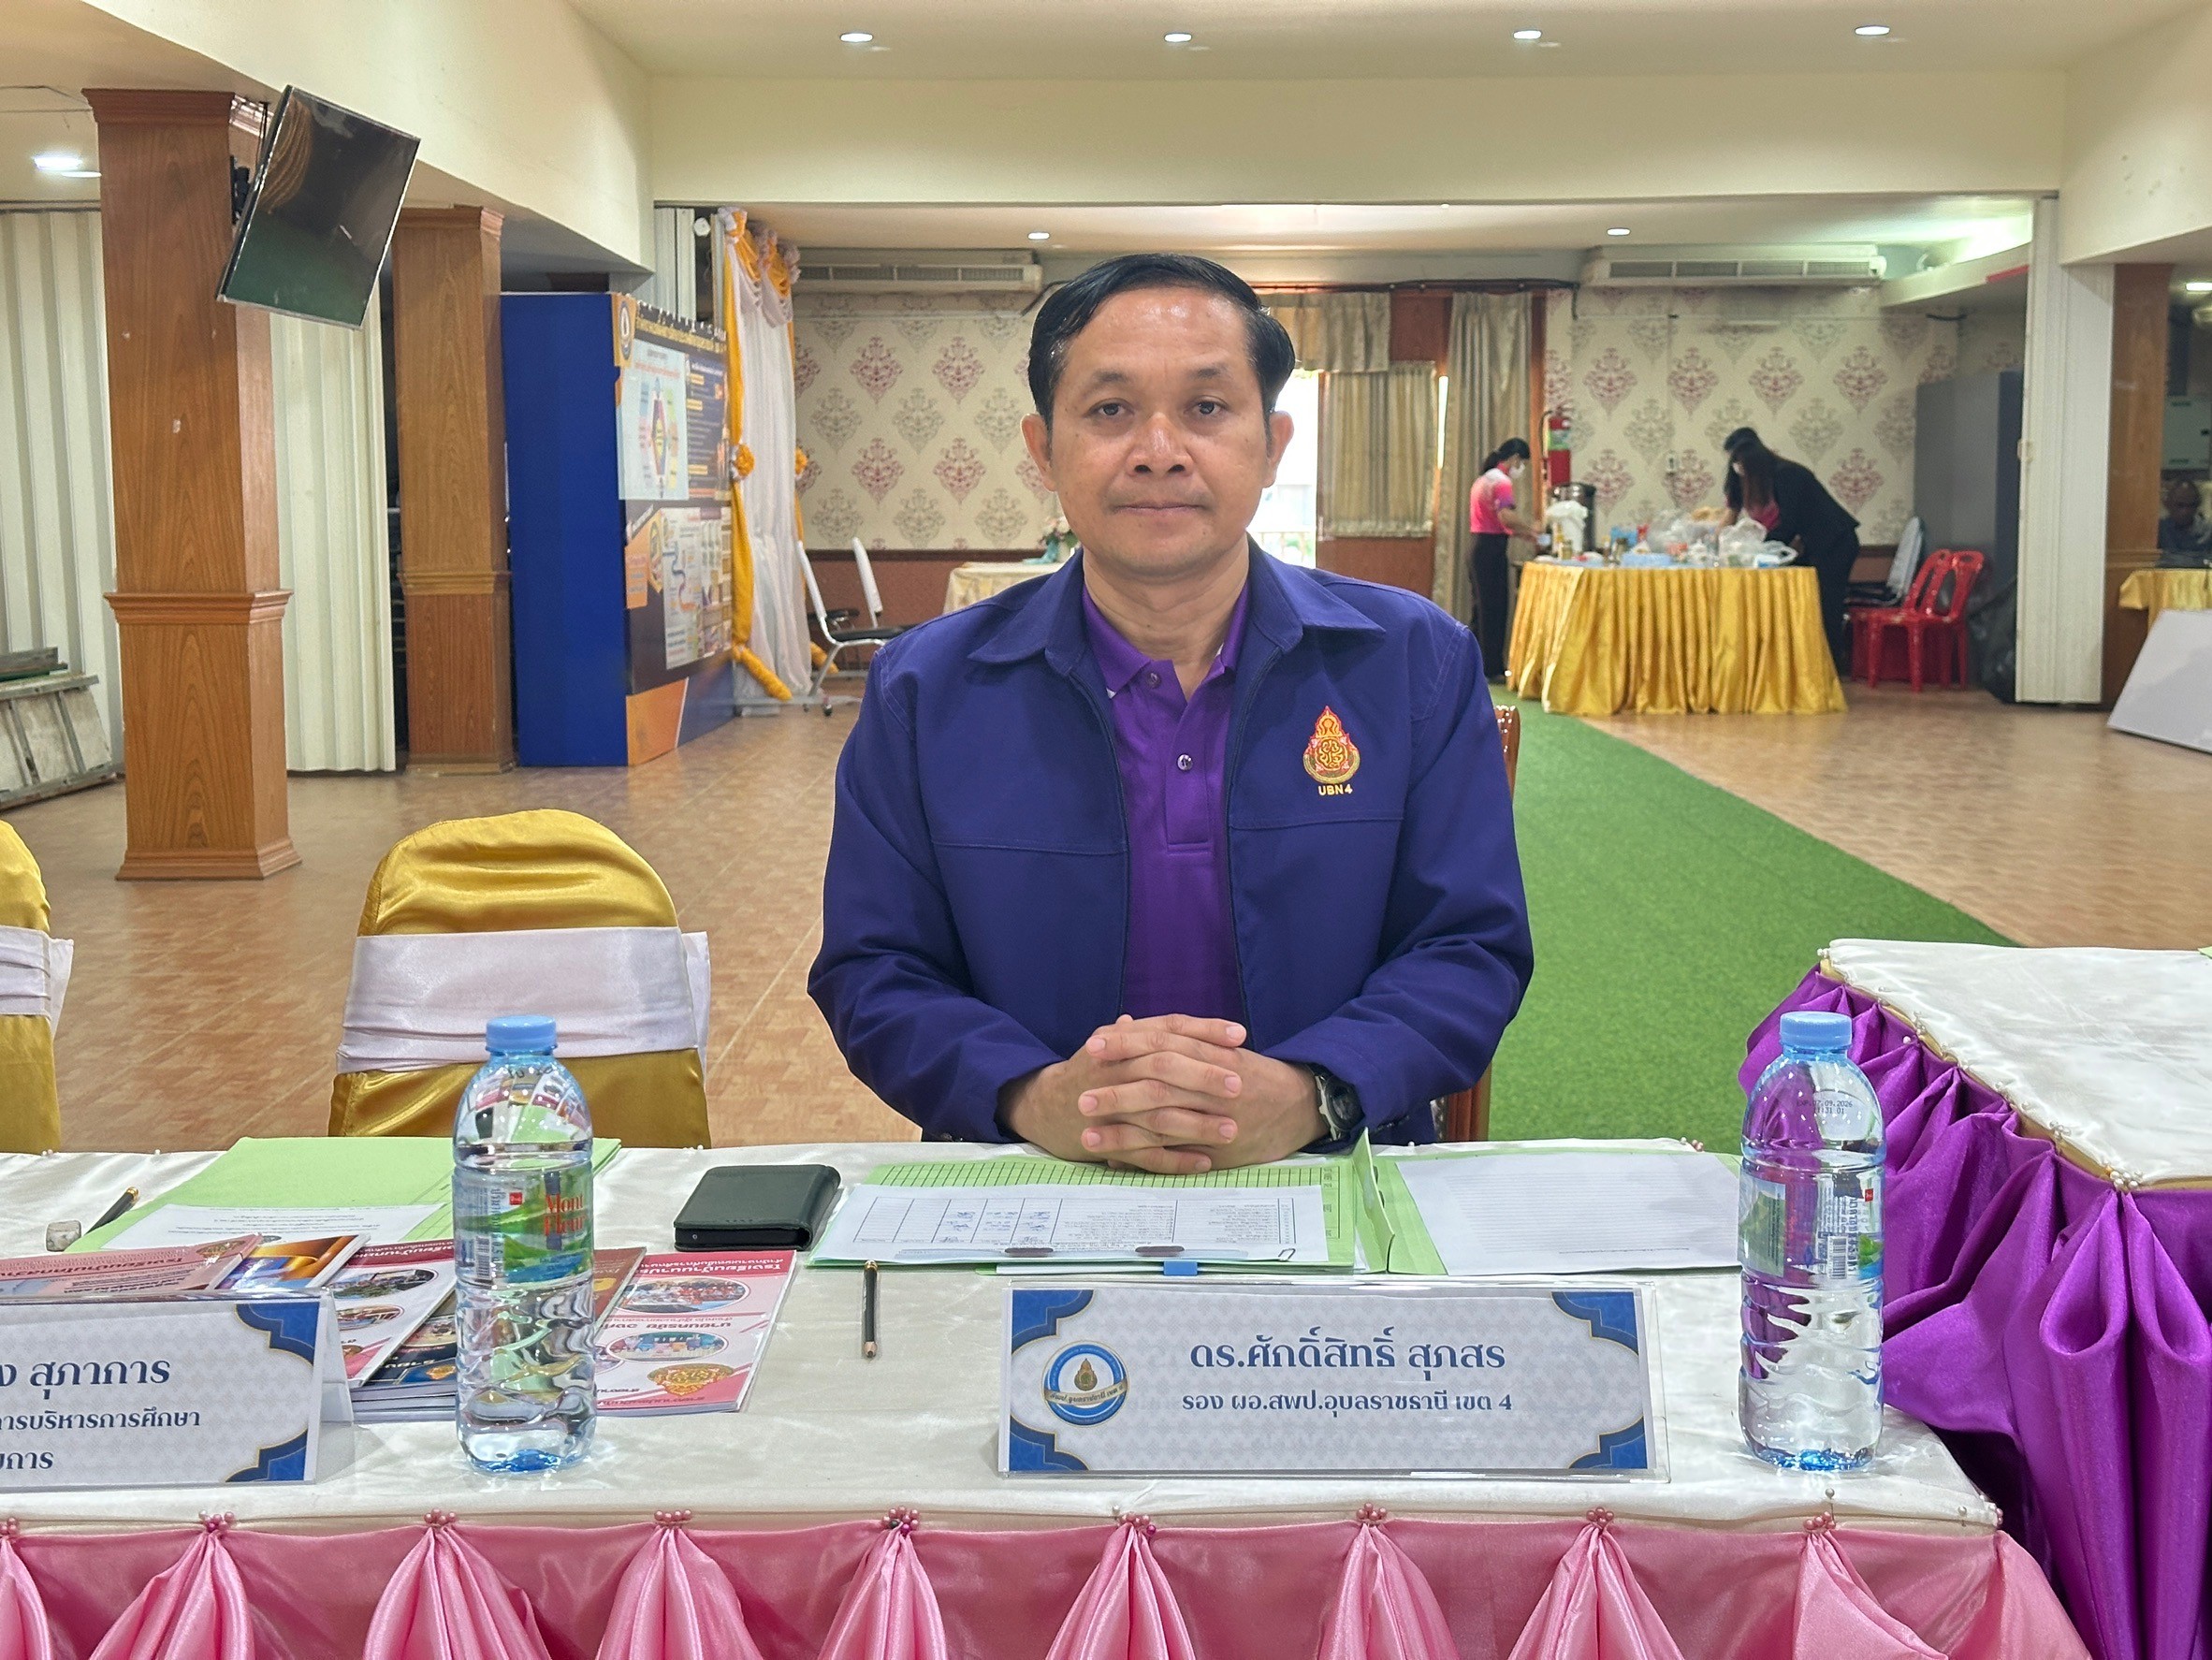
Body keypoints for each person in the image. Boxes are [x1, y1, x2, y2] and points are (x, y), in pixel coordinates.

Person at [809, 254, 1534, 1173]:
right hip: (1030, 1173)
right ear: (1043, 449)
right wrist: (1033, 1096)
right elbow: (875, 969)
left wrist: (1314, 1092)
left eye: (1207, 407)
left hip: (1334, 1164)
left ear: (1273, 444)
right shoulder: (924, 690)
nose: (1159, 449)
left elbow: (1469, 947)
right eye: (1110, 409)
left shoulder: (1412, 663)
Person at [1721, 427, 1860, 670]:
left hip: (1836, 542)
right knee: (1808, 601)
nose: (1737, 469)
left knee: (1827, 604)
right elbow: (1732, 513)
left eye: (1740, 463)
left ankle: (1831, 667)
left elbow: (1789, 524)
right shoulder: (1753, 480)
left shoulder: (1788, 475)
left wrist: (1758, 548)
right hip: (1812, 544)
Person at [1468, 439, 1540, 678]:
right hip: (1492, 551)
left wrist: (1524, 534)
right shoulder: (1502, 482)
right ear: (1515, 458)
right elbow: (1505, 517)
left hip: (1478, 547)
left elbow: (1494, 521)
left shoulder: (1483, 479)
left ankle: (1475, 665)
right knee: (1495, 610)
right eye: (1523, 463)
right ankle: (1493, 668)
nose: (1522, 468)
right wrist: (1531, 529)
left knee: (1481, 610)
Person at [2157, 477, 2212, 567]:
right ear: (2168, 504)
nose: (2185, 511)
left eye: (2191, 505)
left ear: (2198, 505)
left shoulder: (2208, 531)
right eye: (2180, 505)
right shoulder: (2159, 530)